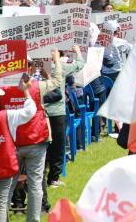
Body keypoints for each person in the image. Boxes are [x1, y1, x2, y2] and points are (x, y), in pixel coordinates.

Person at [0, 49, 63, 222]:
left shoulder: (2, 89)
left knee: (7, 186)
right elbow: (58, 81)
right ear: (28, 68)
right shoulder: (37, 86)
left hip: (11, 144)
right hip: (36, 141)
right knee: (35, 183)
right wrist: (56, 60)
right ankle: (33, 219)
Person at [43, 46, 85, 190]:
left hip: (40, 113)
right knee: (58, 145)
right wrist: (78, 51)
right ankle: (53, 178)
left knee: (42, 146)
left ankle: (42, 176)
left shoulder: (37, 69)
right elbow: (80, 64)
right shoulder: (59, 68)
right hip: (56, 112)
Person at [0, 84, 37, 221]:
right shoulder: (6, 116)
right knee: (0, 206)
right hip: (4, 166)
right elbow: (30, 111)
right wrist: (26, 91)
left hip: (4, 167)